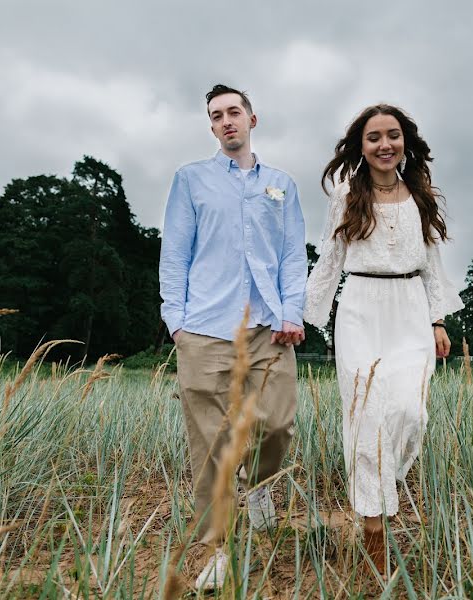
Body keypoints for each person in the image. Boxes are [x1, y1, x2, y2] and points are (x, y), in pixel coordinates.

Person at [303, 104, 463, 575]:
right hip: (359, 309)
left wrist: (438, 321)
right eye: (374, 137)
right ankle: (374, 526)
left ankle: (379, 486)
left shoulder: (421, 194)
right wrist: (303, 316)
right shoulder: (347, 194)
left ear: (405, 142)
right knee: (367, 415)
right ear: (362, 145)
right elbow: (330, 259)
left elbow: (433, 263)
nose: (384, 144)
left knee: (409, 411)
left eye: (392, 135)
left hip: (410, 308)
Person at [159, 84, 307, 591]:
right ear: (211, 126)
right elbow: (175, 253)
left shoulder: (282, 185)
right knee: (211, 444)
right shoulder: (191, 180)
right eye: (216, 115)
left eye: (234, 112)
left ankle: (261, 487)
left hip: (269, 328)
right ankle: (216, 546)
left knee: (279, 423)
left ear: (252, 119)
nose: (226, 121)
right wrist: (175, 321)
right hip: (204, 328)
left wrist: (293, 312)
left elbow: (291, 255)